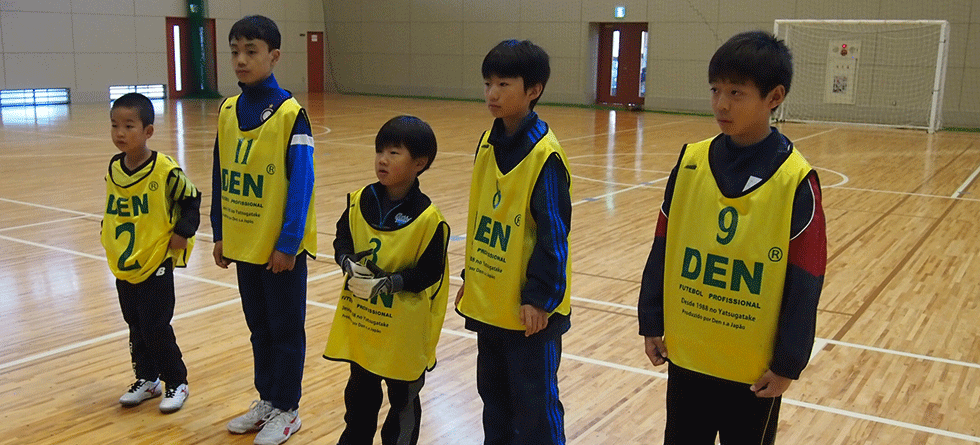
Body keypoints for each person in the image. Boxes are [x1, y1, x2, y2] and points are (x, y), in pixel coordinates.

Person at [637, 30, 827, 444]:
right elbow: (663, 247)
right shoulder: (690, 162)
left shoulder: (796, 180)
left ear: (774, 97)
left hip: (753, 372)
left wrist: (788, 362)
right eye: (715, 90)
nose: (721, 104)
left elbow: (806, 279)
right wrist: (651, 320)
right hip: (688, 356)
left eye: (736, 93)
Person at [455, 39, 572, 445]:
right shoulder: (487, 144)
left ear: (533, 90)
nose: (492, 93)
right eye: (488, 83)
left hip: (530, 314)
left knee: (535, 408)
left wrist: (540, 299)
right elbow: (482, 218)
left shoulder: (545, 155)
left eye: (504, 84)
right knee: (495, 401)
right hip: (491, 304)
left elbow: (554, 235)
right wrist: (472, 277)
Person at [211, 15, 317, 445]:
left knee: (286, 330)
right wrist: (219, 231)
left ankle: (288, 409)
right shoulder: (228, 110)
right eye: (234, 51)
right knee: (259, 328)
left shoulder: (292, 114)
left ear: (273, 56)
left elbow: (302, 184)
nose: (240, 59)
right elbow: (220, 173)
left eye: (250, 51)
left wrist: (288, 243)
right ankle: (268, 399)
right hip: (244, 244)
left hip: (279, 249)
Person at [324, 115, 450, 445]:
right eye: (379, 151)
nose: (382, 159)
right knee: (359, 402)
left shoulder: (429, 218)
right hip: (365, 326)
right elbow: (342, 238)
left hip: (403, 334)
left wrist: (388, 284)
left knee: (403, 404)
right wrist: (346, 261)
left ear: (419, 163)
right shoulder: (360, 199)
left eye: (394, 153)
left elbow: (430, 272)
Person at [101, 92, 200, 414]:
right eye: (115, 125)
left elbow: (192, 200)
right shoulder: (115, 166)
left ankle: (177, 381)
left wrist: (183, 231)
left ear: (148, 131)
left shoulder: (165, 170)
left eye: (129, 126)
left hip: (156, 258)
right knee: (135, 324)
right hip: (126, 260)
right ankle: (147, 378)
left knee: (156, 325)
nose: (120, 133)